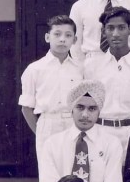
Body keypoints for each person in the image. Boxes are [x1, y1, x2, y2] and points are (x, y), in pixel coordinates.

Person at [83, 6, 130, 147]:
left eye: (121, 28)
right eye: (110, 28)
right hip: (101, 131)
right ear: (103, 31)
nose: (116, 34)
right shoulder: (91, 66)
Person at [20, 15, 83, 155]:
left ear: (75, 40)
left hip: (74, 123)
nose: (62, 39)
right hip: (47, 124)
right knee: (49, 166)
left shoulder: (80, 69)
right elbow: (26, 108)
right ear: (47, 37)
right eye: (57, 34)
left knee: (74, 166)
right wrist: (41, 133)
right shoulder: (35, 69)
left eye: (68, 35)